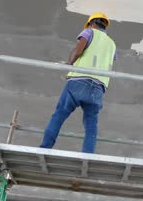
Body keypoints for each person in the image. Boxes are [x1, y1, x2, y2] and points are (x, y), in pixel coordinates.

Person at [40, 12, 116, 153]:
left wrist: (69, 64)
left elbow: (78, 51)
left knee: (59, 114)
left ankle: (45, 148)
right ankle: (88, 155)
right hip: (98, 88)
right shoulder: (112, 44)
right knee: (91, 125)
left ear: (92, 23)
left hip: (79, 81)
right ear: (105, 26)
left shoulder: (89, 32)